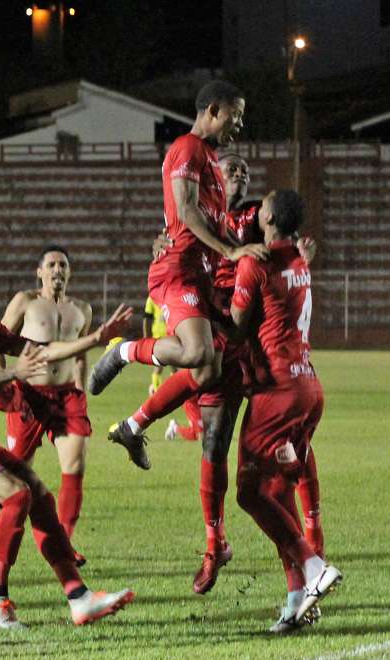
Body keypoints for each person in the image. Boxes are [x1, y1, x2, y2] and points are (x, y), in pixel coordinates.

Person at [0, 261, 137, 629]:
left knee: (39, 493)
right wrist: (13, 374)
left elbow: (42, 351)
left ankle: (79, 597)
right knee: (17, 495)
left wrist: (96, 338)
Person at [88, 80, 267, 470]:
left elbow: (193, 220)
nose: (238, 124)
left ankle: (133, 427)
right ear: (214, 111)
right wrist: (229, 251)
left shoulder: (209, 160)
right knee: (199, 353)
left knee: (207, 369)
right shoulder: (186, 148)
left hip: (199, 275)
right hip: (178, 272)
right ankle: (123, 351)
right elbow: (185, 211)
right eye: (234, 115)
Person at [188, 153, 321, 596]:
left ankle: (311, 548)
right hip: (269, 362)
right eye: (231, 169)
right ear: (213, 177)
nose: (240, 175)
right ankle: (216, 544)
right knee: (215, 439)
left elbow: (282, 235)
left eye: (245, 171)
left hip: (252, 349)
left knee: (262, 479)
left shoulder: (250, 224)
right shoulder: (200, 218)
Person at [229, 190, 341, 632]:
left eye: (264, 205)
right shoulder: (297, 259)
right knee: (276, 492)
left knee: (248, 492)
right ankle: (297, 599)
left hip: (276, 390)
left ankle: (314, 568)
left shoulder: (255, 262)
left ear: (270, 217)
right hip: (308, 386)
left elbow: (238, 325)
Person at [0, 245, 98, 561]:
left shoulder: (82, 309)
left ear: (69, 272)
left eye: (63, 265)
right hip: (29, 397)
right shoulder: (26, 302)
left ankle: (63, 543)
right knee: (16, 474)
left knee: (75, 466)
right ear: (39, 272)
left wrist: (81, 390)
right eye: (51, 265)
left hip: (66, 397)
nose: (57, 270)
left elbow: (78, 353)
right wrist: (1, 378)